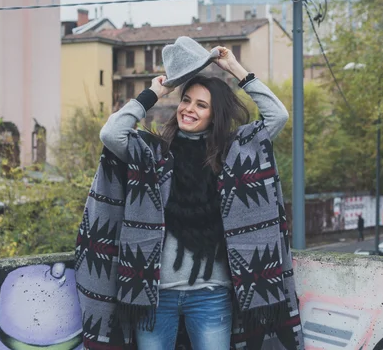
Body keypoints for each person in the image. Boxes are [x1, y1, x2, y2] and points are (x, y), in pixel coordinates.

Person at [75, 46, 303, 349]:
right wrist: (156, 91)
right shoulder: (153, 153)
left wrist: (235, 68)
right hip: (154, 296)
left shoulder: (233, 154)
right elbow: (112, 133)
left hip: (211, 295)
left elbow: (278, 116)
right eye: (185, 100)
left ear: (215, 114)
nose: (188, 109)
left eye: (201, 105)